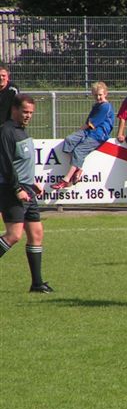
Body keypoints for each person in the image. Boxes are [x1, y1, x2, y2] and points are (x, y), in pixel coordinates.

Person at [0, 94, 53, 293]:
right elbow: (5, 165)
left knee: (36, 233)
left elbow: (22, 162)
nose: (28, 116)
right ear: (14, 110)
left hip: (27, 189)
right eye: (25, 112)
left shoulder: (22, 132)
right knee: (13, 235)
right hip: (12, 190)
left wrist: (32, 182)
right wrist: (17, 189)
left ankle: (37, 283)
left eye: (31, 112)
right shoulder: (6, 131)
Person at [52, 81, 114, 189]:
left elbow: (91, 123)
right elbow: (88, 122)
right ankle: (78, 168)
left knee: (79, 150)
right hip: (89, 131)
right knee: (69, 140)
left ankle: (66, 179)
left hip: (98, 135)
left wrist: (79, 131)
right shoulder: (96, 106)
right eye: (96, 95)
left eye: (100, 95)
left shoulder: (105, 107)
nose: (98, 97)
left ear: (105, 94)